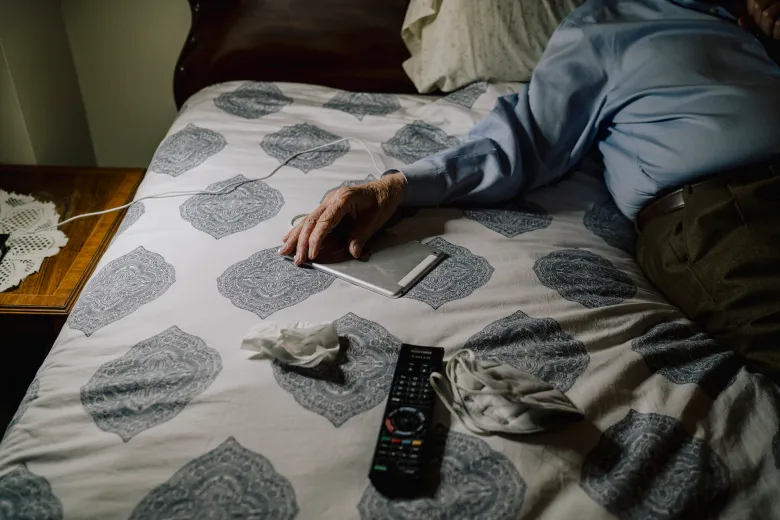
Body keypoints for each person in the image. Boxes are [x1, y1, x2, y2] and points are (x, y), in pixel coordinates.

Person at [280, 0, 780, 382]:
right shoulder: (611, 23)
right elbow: (524, 138)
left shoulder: (754, 26)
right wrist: (395, 185)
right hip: (725, 209)